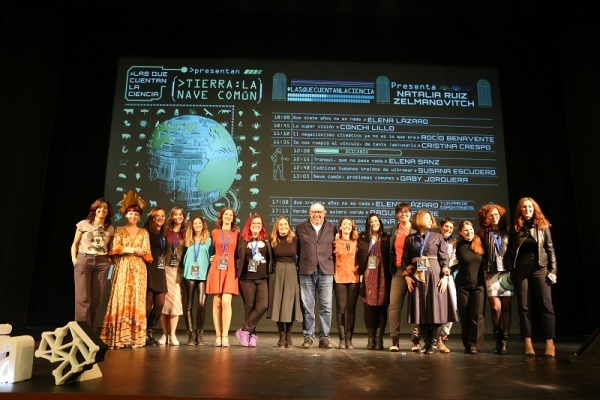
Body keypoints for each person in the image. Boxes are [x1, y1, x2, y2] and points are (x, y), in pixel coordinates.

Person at [100, 191, 152, 348]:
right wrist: (132, 249)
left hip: (138, 269)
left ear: (139, 216)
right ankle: (118, 337)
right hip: (122, 266)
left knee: (136, 298)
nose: (133, 216)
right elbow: (115, 248)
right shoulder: (119, 230)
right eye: (130, 213)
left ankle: (134, 337)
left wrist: (133, 250)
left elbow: (146, 252)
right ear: (126, 215)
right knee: (120, 297)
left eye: (136, 214)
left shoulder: (143, 232)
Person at [402, 209, 458, 355]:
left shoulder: (437, 237)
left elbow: (445, 259)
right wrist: (407, 276)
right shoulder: (410, 239)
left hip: (435, 276)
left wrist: (445, 277)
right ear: (419, 219)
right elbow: (405, 260)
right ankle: (426, 343)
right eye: (427, 217)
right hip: (417, 277)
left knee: (436, 310)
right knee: (421, 310)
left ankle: (433, 344)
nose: (430, 220)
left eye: (430, 218)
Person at [512, 197, 557, 357]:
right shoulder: (516, 228)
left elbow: (550, 249)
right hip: (521, 270)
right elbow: (512, 251)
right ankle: (528, 343)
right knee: (524, 307)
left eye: (530, 207)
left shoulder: (542, 226)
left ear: (534, 209)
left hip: (540, 268)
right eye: (524, 207)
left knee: (546, 306)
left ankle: (549, 343)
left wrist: (553, 271)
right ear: (520, 210)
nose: (527, 210)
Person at [296, 202, 337, 349]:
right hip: (306, 269)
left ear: (324, 213)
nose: (317, 215)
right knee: (308, 306)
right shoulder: (300, 227)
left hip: (326, 270)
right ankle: (308, 337)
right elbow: (297, 249)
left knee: (326, 306)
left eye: (320, 212)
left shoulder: (332, 227)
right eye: (314, 212)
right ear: (309, 213)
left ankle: (324, 337)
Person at [70, 198, 115, 331]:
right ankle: (81, 334)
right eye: (99, 207)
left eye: (105, 208)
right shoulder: (83, 224)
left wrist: (108, 260)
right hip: (84, 260)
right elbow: (75, 244)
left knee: (96, 301)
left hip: (102, 263)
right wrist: (74, 259)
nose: (102, 210)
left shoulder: (110, 228)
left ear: (108, 211)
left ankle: (91, 334)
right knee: (83, 300)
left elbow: (109, 246)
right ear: (94, 210)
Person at [479, 204, 514, 355]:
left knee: (506, 307)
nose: (494, 217)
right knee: (496, 308)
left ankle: (504, 341)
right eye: (491, 215)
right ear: (486, 217)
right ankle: (497, 338)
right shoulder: (483, 233)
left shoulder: (507, 231)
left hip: (506, 272)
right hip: (491, 272)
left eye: (496, 214)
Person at [234, 215, 272, 347]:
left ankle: (244, 331)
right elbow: (233, 255)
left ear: (262, 226)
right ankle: (251, 336)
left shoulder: (267, 240)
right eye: (254, 223)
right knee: (249, 307)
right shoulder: (242, 240)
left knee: (262, 306)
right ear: (249, 225)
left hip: (262, 279)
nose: (256, 225)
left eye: (259, 223)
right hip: (246, 278)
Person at [389, 202, 420, 352]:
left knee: (416, 306)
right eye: (401, 212)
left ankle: (415, 341)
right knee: (394, 306)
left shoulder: (417, 229)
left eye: (407, 211)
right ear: (396, 215)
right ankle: (394, 341)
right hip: (398, 272)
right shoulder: (393, 229)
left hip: (415, 272)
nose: (404, 214)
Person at [357, 213, 391, 350]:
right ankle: (371, 338)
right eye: (371, 221)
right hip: (367, 275)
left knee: (382, 306)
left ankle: (379, 338)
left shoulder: (386, 237)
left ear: (380, 222)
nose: (374, 223)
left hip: (383, 275)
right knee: (369, 307)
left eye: (376, 221)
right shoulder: (362, 238)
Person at [206, 207, 239, 347]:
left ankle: (225, 335)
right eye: (226, 214)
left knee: (226, 301)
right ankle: (218, 335)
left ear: (233, 218)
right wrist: (210, 258)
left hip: (230, 268)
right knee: (217, 302)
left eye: (230, 215)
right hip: (217, 268)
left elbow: (239, 252)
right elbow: (210, 250)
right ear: (221, 216)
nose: (228, 217)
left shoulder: (236, 233)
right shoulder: (214, 232)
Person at [268, 216, 302, 348]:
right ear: (277, 227)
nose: (283, 227)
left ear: (289, 226)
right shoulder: (272, 240)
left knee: (289, 304)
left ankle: (288, 335)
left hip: (292, 271)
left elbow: (300, 255)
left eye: (285, 225)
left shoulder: (295, 239)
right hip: (278, 271)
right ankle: (281, 335)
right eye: (280, 225)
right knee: (278, 304)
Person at [455, 220, 486, 354]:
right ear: (461, 232)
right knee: (465, 315)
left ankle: (475, 344)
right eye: (466, 230)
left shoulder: (481, 243)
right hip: (462, 285)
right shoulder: (457, 245)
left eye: (471, 229)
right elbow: (452, 262)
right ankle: (467, 343)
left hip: (479, 285)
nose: (469, 232)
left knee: (477, 315)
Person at [182, 215, 213, 346]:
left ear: (203, 225)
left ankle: (199, 333)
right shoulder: (187, 240)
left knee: (201, 304)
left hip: (203, 275)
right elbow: (182, 256)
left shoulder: (209, 240)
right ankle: (190, 334)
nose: (197, 225)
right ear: (192, 226)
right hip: (189, 274)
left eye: (199, 223)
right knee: (188, 305)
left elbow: (213, 256)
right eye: (195, 223)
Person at [159, 207, 186, 346]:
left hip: (178, 271)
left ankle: (173, 335)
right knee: (164, 302)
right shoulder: (165, 231)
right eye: (175, 214)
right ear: (172, 216)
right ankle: (164, 334)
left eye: (180, 214)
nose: (178, 216)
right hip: (165, 269)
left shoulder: (187, 233)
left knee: (175, 302)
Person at [141, 207, 168, 346]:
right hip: (149, 269)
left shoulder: (162, 234)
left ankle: (150, 333)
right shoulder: (146, 231)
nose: (161, 218)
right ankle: (143, 333)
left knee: (160, 303)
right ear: (152, 217)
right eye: (158, 215)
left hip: (160, 270)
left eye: (163, 216)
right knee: (148, 302)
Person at [333, 217, 359, 349]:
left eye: (350, 224)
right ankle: (342, 339)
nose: (347, 226)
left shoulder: (357, 242)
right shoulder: (335, 242)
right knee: (341, 309)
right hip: (339, 279)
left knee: (351, 309)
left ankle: (349, 339)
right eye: (345, 224)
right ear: (340, 227)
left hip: (354, 278)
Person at [438, 217, 458, 353]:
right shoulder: (433, 239)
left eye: (451, 228)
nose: (448, 229)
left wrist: (447, 273)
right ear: (440, 227)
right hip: (435, 276)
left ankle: (444, 336)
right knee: (437, 307)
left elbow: (455, 262)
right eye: (446, 226)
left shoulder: (454, 243)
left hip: (449, 275)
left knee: (453, 306)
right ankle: (435, 339)